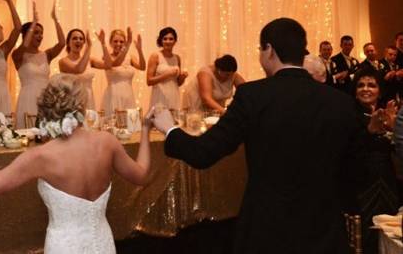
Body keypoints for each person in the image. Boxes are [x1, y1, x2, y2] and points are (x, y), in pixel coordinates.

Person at [151, 17, 364, 253]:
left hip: (268, 229)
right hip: (324, 231)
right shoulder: (341, 103)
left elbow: (203, 153)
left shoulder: (253, 97)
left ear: (269, 50)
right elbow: (353, 172)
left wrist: (169, 129)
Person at [0, 74, 153, 254]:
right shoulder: (107, 142)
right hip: (103, 244)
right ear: (82, 106)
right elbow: (142, 175)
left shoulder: (40, 156)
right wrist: (144, 130)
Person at [349, 67, 399, 254]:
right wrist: (369, 132)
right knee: (366, 239)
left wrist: (395, 129)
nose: (366, 89)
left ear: (380, 90)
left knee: (388, 235)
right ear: (355, 90)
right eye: (361, 85)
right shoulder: (349, 116)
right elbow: (348, 154)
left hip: (388, 183)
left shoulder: (387, 114)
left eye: (372, 85)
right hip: (361, 186)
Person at [12, 1, 65, 127]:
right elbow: (24, 45)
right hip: (28, 98)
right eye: (36, 32)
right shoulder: (18, 55)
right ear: (26, 35)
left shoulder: (46, 55)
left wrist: (55, 20)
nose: (40, 36)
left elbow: (62, 43)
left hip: (46, 99)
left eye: (41, 33)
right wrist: (34, 22)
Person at [58, 28, 110, 110]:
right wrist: (89, 47)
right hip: (73, 99)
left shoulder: (90, 60)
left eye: (81, 39)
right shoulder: (63, 61)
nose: (78, 41)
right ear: (68, 42)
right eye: (74, 38)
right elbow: (78, 69)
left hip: (89, 98)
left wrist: (103, 44)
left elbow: (108, 65)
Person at [101, 28, 146, 116]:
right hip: (113, 95)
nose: (118, 44)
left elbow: (142, 67)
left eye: (121, 42)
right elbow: (116, 63)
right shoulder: (106, 57)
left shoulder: (130, 57)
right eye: (115, 41)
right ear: (110, 43)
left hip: (128, 95)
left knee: (129, 126)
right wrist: (127, 46)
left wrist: (140, 50)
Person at [147, 27, 188, 110]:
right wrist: (167, 74)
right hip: (159, 96)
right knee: (160, 120)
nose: (168, 41)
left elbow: (177, 83)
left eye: (171, 39)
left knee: (174, 121)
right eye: (165, 39)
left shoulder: (177, 58)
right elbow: (149, 81)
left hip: (174, 95)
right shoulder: (155, 56)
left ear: (175, 41)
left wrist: (183, 77)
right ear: (161, 41)